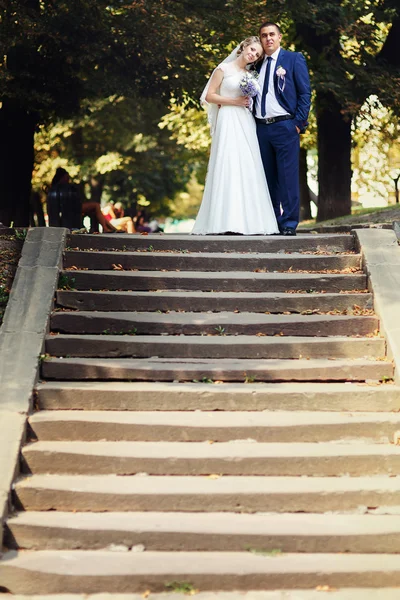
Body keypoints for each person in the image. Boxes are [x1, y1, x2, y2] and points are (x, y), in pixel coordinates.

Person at [191, 37, 279, 236]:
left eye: (257, 54)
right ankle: (223, 221)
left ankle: (251, 222)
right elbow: (209, 96)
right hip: (228, 119)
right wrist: (234, 102)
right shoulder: (223, 69)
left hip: (245, 121)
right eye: (252, 50)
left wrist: (245, 103)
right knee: (228, 162)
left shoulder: (250, 75)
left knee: (248, 164)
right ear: (244, 46)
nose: (253, 55)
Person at [254, 22, 311, 236]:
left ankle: (288, 223)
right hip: (260, 128)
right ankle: (272, 222)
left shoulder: (293, 59)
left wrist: (298, 123)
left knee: (287, 177)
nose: (268, 38)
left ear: (279, 37)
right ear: (260, 40)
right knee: (267, 178)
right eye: (263, 36)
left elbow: (305, 93)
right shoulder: (256, 64)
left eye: (271, 35)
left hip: (286, 126)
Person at [47, 168, 118, 233]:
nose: (68, 179)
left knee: (95, 210)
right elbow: (75, 201)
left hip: (70, 210)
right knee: (96, 206)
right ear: (63, 177)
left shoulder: (53, 189)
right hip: (73, 209)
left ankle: (111, 228)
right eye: (67, 177)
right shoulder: (67, 187)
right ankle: (107, 228)